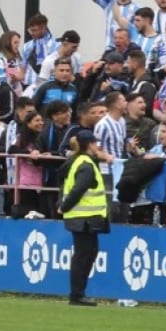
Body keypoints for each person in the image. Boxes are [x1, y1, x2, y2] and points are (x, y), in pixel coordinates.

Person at [59, 129, 110, 306]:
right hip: (84, 217)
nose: (97, 146)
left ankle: (78, 293)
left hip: (82, 217)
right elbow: (78, 189)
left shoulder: (78, 161)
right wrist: (64, 206)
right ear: (89, 144)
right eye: (95, 143)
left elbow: (65, 183)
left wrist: (63, 206)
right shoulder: (86, 165)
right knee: (84, 255)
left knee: (87, 253)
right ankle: (77, 294)